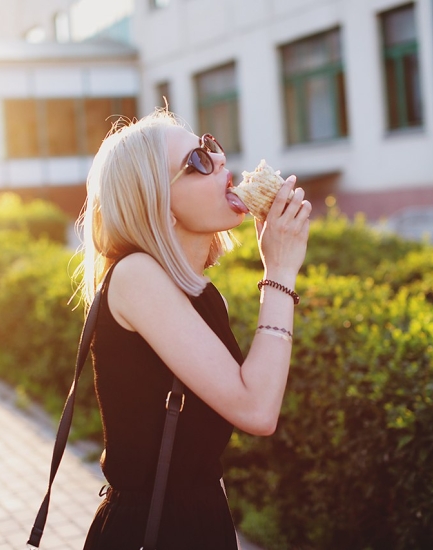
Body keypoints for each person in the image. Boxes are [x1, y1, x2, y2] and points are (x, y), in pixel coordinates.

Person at [77, 109, 311, 549]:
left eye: (211, 145)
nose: (221, 160)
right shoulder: (135, 276)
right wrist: (280, 269)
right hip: (152, 531)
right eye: (199, 161)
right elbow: (257, 410)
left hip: (201, 521)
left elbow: (254, 396)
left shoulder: (203, 293)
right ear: (158, 203)